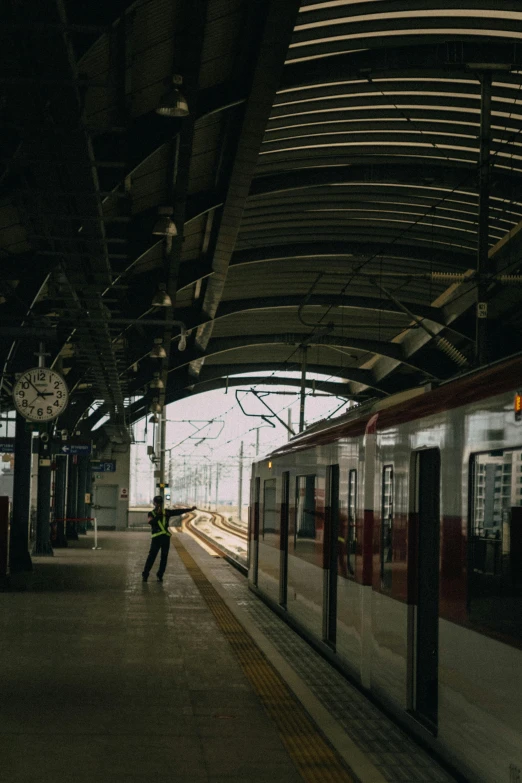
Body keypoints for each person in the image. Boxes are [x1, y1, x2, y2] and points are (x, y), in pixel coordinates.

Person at [141, 496, 196, 582]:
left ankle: (159, 575)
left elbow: (178, 511)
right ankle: (145, 574)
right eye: (157, 503)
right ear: (154, 503)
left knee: (163, 557)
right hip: (157, 539)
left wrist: (189, 509)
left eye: (159, 503)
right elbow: (151, 522)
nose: (158, 505)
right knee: (152, 557)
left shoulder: (167, 512)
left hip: (164, 538)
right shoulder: (151, 513)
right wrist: (159, 515)